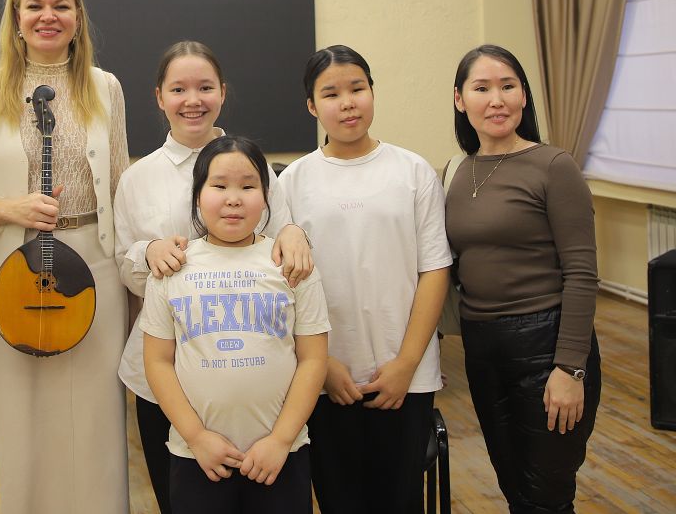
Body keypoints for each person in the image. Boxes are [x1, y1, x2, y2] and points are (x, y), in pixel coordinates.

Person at [0, 0, 129, 513]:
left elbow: (122, 185)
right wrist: (7, 207)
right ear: (16, 17)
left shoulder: (106, 88)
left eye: (61, 5)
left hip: (95, 264)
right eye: (35, 6)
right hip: (14, 272)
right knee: (22, 415)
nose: (48, 16)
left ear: (78, 16)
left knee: (96, 417)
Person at [114, 40, 313, 513]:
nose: (193, 100)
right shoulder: (138, 178)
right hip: (167, 376)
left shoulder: (256, 166)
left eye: (205, 87)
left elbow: (282, 238)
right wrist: (149, 252)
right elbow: (124, 263)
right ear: (159, 97)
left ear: (222, 92)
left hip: (259, 382)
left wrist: (295, 233)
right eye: (178, 89)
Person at [276, 45, 451, 514]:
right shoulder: (291, 182)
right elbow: (282, 286)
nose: (347, 103)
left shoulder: (413, 171)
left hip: (405, 375)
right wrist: (322, 365)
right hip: (323, 376)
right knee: (340, 500)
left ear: (373, 92)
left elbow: (435, 269)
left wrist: (406, 363)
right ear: (312, 106)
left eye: (357, 88)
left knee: (401, 500)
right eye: (331, 94)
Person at [447, 44, 601, 513]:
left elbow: (582, 272)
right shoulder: (456, 172)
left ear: (524, 96)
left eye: (508, 86)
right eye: (482, 88)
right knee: (515, 488)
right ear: (460, 99)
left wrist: (570, 368)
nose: (497, 100)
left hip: (546, 344)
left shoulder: (554, 166)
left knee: (546, 497)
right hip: (482, 348)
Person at [141, 135, 329, 514]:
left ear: (266, 197)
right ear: (197, 196)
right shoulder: (172, 268)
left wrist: (280, 440)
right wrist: (196, 437)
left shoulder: (291, 265)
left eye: (247, 186)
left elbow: (313, 359)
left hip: (281, 455)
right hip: (198, 457)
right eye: (219, 186)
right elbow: (158, 361)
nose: (233, 198)